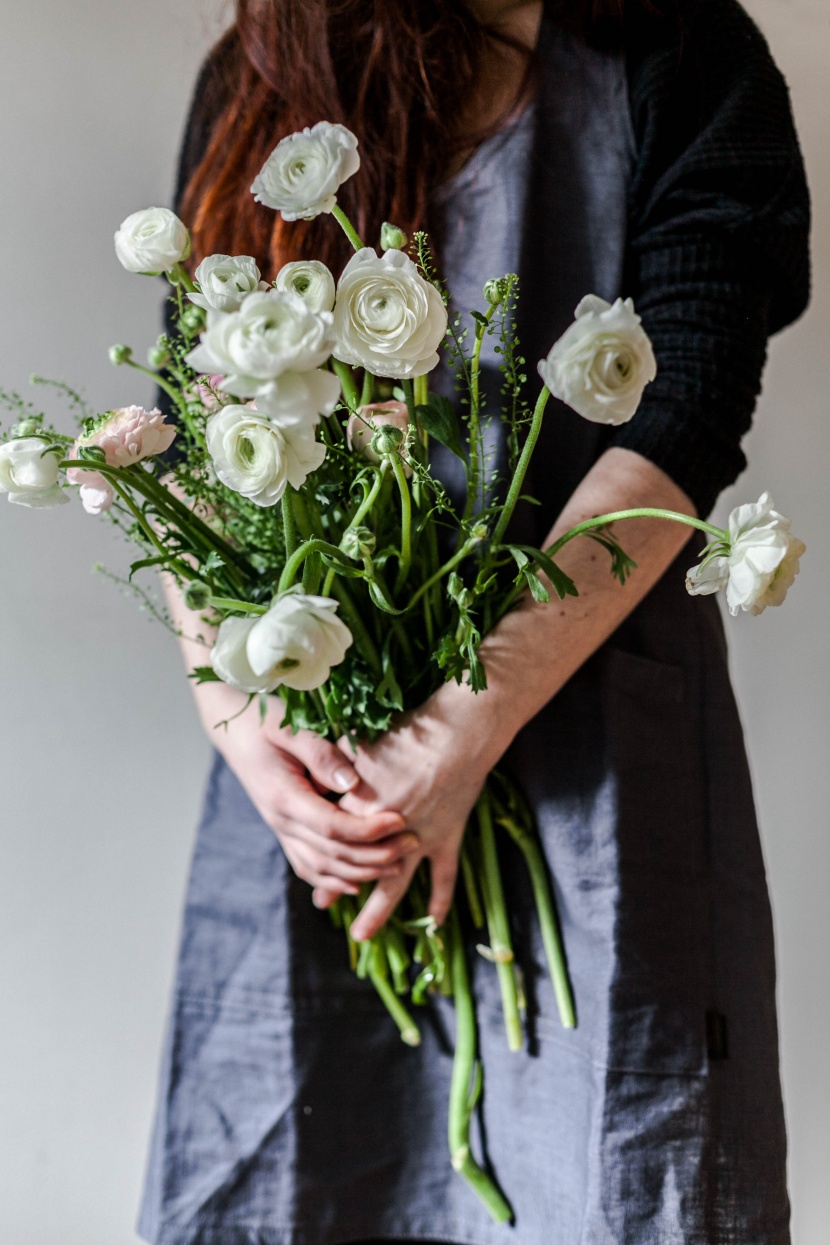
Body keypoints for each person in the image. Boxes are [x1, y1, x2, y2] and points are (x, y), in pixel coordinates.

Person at [137, 1, 810, 1243]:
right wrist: (238, 717)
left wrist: (457, 735)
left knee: (603, 1169)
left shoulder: (683, 51)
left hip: (584, 740)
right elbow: (184, 431)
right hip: (319, 770)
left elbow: (686, 412)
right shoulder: (259, 72)